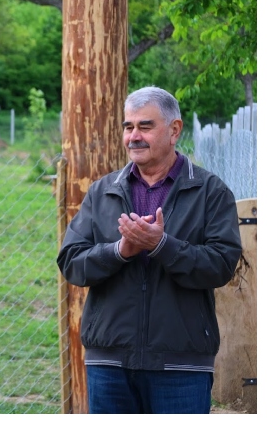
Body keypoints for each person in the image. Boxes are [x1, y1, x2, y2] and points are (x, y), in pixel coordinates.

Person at [57, 86, 242, 414]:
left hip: (181, 364)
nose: (133, 137)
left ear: (174, 130)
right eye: (128, 127)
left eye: (145, 126)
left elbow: (222, 265)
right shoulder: (104, 191)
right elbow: (72, 262)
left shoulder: (210, 191)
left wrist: (162, 246)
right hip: (109, 362)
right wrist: (119, 250)